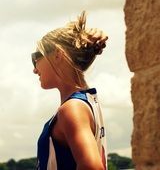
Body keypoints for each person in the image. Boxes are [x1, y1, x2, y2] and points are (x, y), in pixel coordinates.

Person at [31, 11, 108, 170]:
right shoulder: (87, 101)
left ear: (58, 55)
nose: (34, 69)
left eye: (36, 58)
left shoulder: (72, 108)